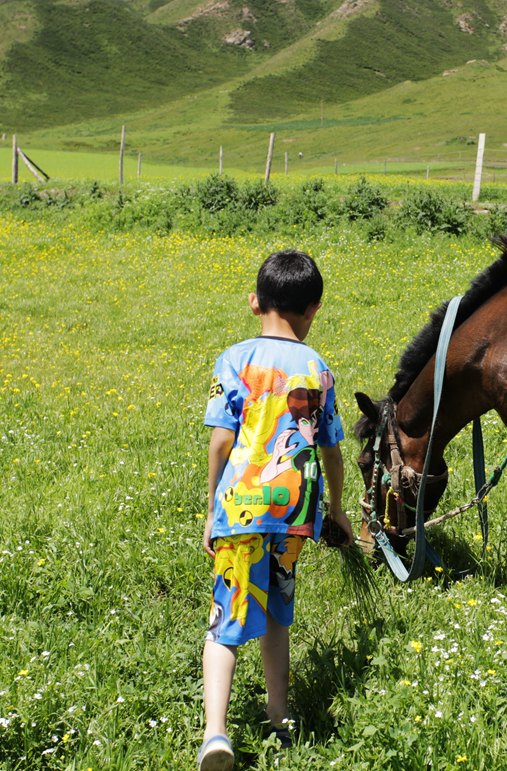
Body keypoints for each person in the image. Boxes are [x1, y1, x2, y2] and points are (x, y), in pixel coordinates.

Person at [198, 249, 353, 771]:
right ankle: (279, 720)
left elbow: (221, 443)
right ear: (314, 309)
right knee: (277, 617)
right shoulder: (316, 369)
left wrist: (212, 508)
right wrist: (337, 508)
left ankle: (216, 733)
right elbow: (331, 450)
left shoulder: (233, 360)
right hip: (292, 520)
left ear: (253, 302)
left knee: (227, 619)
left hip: (239, 511)